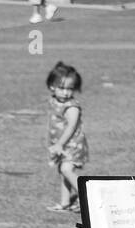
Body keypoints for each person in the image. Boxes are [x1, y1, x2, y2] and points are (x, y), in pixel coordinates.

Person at [45, 62, 88, 213]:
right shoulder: (55, 101)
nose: (65, 93)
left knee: (66, 169)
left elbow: (71, 126)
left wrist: (60, 144)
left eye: (70, 89)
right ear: (52, 87)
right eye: (61, 88)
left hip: (72, 144)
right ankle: (65, 203)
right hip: (61, 144)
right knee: (62, 171)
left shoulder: (72, 106)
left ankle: (87, 198)